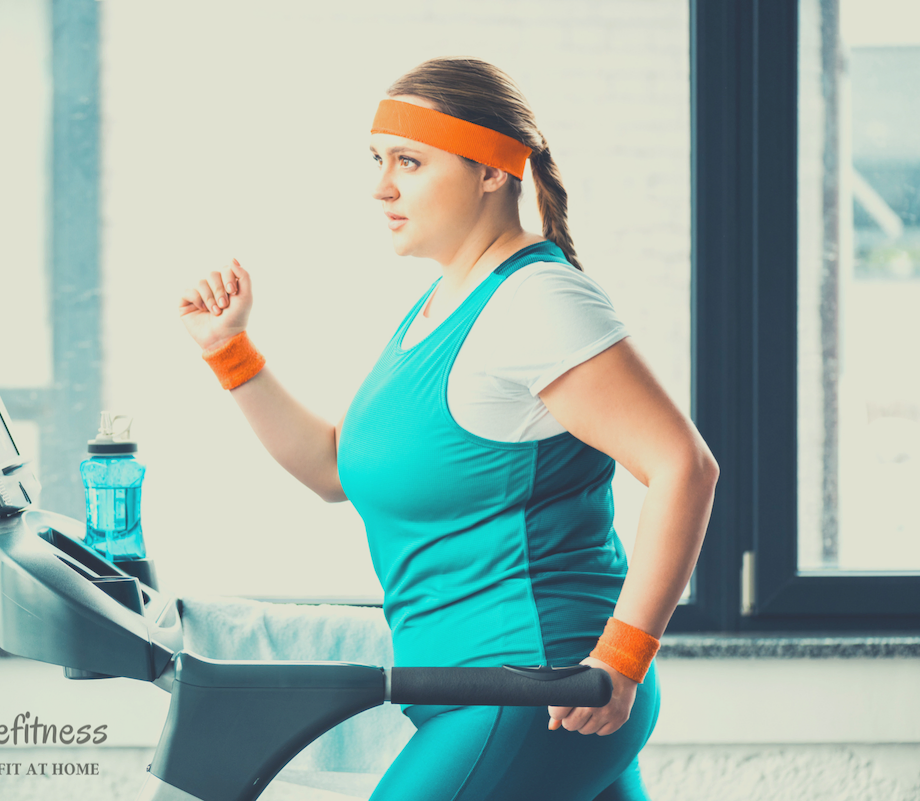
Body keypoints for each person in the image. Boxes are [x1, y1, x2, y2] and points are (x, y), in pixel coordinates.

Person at [179, 56, 718, 801]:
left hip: (534, 693)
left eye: (409, 161)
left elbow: (684, 467)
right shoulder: (444, 304)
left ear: (493, 170)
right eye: (377, 160)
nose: (381, 186)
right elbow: (333, 467)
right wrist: (229, 351)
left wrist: (621, 659)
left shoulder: (537, 301)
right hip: (487, 694)